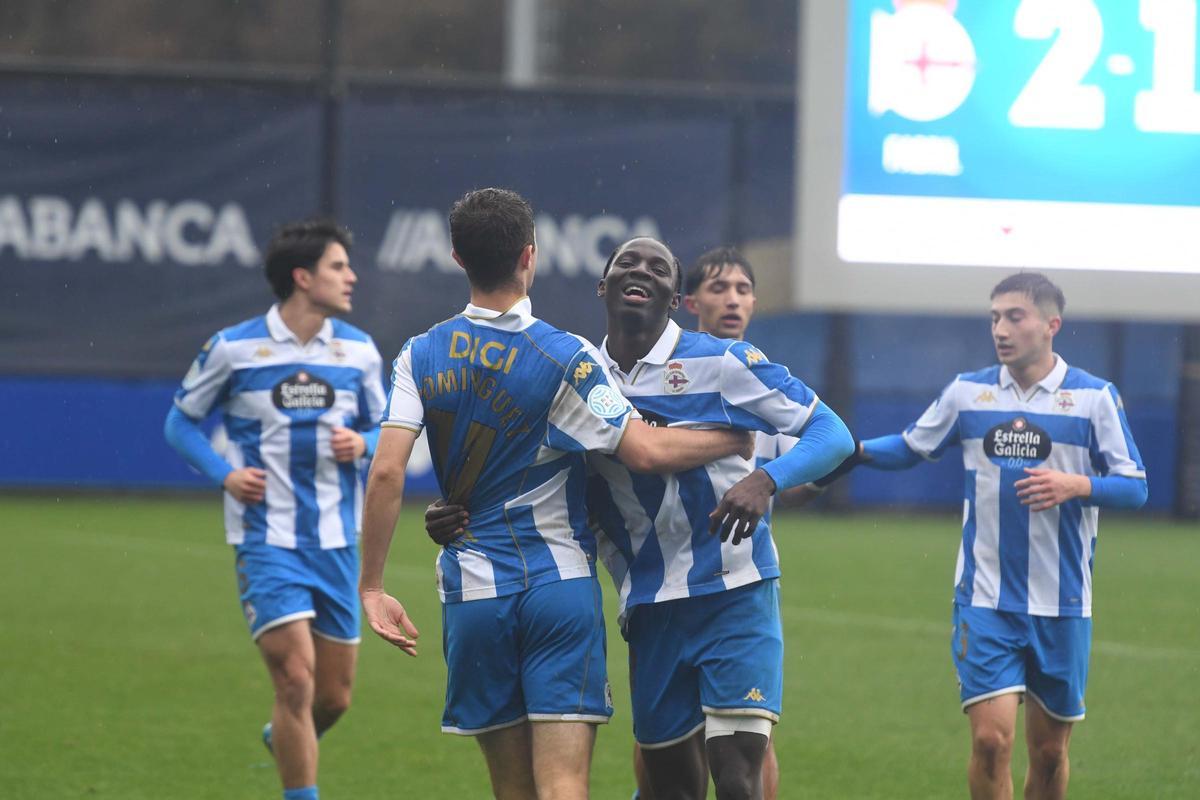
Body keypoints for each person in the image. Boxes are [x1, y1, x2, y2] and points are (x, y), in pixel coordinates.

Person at [358, 189, 755, 800]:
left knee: (512, 790)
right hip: (557, 590)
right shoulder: (568, 356)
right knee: (564, 785)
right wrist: (730, 438)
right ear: (530, 256)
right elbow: (643, 450)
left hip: (473, 591)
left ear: (458, 256)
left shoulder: (420, 353)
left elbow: (386, 473)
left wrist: (373, 585)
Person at [433, 236, 853, 800]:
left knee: (737, 778)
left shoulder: (722, 363)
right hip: (650, 607)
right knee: (672, 789)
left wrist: (765, 479)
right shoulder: (575, 374)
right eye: (627, 263)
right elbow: (530, 472)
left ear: (676, 298)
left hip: (735, 590)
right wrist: (456, 510)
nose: (642, 271)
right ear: (603, 286)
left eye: (659, 268)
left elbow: (834, 434)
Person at [804, 272, 1147, 800]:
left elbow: (1135, 487)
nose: (1001, 329)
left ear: (1052, 324)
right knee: (991, 741)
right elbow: (911, 446)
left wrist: (1076, 484)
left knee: (1051, 752)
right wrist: (847, 452)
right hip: (984, 601)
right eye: (994, 317)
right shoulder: (969, 392)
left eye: (1015, 316)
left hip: (1063, 605)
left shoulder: (1094, 398)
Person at [164, 219, 385, 800]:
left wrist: (363, 443)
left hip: (337, 540)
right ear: (302, 276)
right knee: (294, 679)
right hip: (266, 540)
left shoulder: (358, 351)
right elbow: (180, 422)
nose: (350, 276)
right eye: (339, 266)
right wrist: (226, 475)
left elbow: (388, 430)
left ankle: (283, 738)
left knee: (332, 698)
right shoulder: (234, 348)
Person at [624, 247, 786, 800]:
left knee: (744, 760)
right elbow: (639, 452)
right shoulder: (609, 371)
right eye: (720, 288)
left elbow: (812, 447)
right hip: (652, 596)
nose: (733, 298)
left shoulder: (747, 368)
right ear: (687, 302)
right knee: (661, 767)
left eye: (743, 288)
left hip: (736, 576)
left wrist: (769, 482)